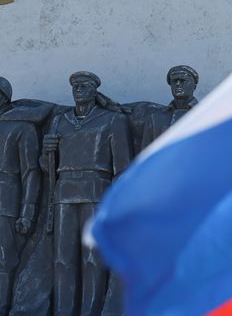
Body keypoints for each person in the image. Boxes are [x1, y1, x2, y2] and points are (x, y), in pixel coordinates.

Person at [42, 71, 131, 316]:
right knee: (62, 260)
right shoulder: (60, 121)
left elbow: (122, 167)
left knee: (92, 259)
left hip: (96, 192)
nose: (78, 89)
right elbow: (46, 166)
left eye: (84, 85)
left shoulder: (112, 120)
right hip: (64, 194)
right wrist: (46, 152)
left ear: (95, 91)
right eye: (75, 86)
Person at [0, 77, 40, 316]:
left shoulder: (22, 127)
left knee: (4, 262)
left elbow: (31, 173)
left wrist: (27, 212)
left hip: (6, 202)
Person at [141, 65, 199, 149]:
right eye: (174, 81)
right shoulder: (154, 119)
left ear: (194, 86)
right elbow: (146, 156)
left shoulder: (208, 117)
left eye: (183, 80)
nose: (178, 84)